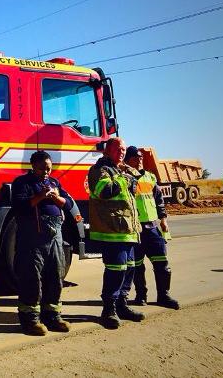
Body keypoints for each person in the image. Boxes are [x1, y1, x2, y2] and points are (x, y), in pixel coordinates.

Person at [11, 151, 76, 335]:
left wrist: (56, 198)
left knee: (56, 276)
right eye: (42, 169)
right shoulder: (22, 183)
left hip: (55, 239)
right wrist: (40, 196)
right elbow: (20, 207)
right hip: (32, 239)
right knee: (32, 279)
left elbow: (69, 205)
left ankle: (53, 316)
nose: (46, 172)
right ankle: (30, 321)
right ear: (33, 166)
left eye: (49, 169)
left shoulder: (55, 183)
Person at [88, 137, 144, 329]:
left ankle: (122, 305)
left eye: (123, 149)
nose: (122, 152)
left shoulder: (121, 171)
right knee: (115, 271)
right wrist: (124, 178)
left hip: (128, 231)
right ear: (107, 150)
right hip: (112, 231)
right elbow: (104, 191)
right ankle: (108, 311)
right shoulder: (100, 169)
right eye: (118, 148)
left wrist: (128, 176)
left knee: (129, 269)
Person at [125, 146, 179, 309]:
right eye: (135, 157)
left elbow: (159, 200)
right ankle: (141, 295)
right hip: (136, 228)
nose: (139, 159)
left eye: (140, 157)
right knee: (137, 266)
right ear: (127, 161)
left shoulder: (150, 177)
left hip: (153, 227)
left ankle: (164, 296)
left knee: (162, 264)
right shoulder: (125, 179)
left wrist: (163, 219)